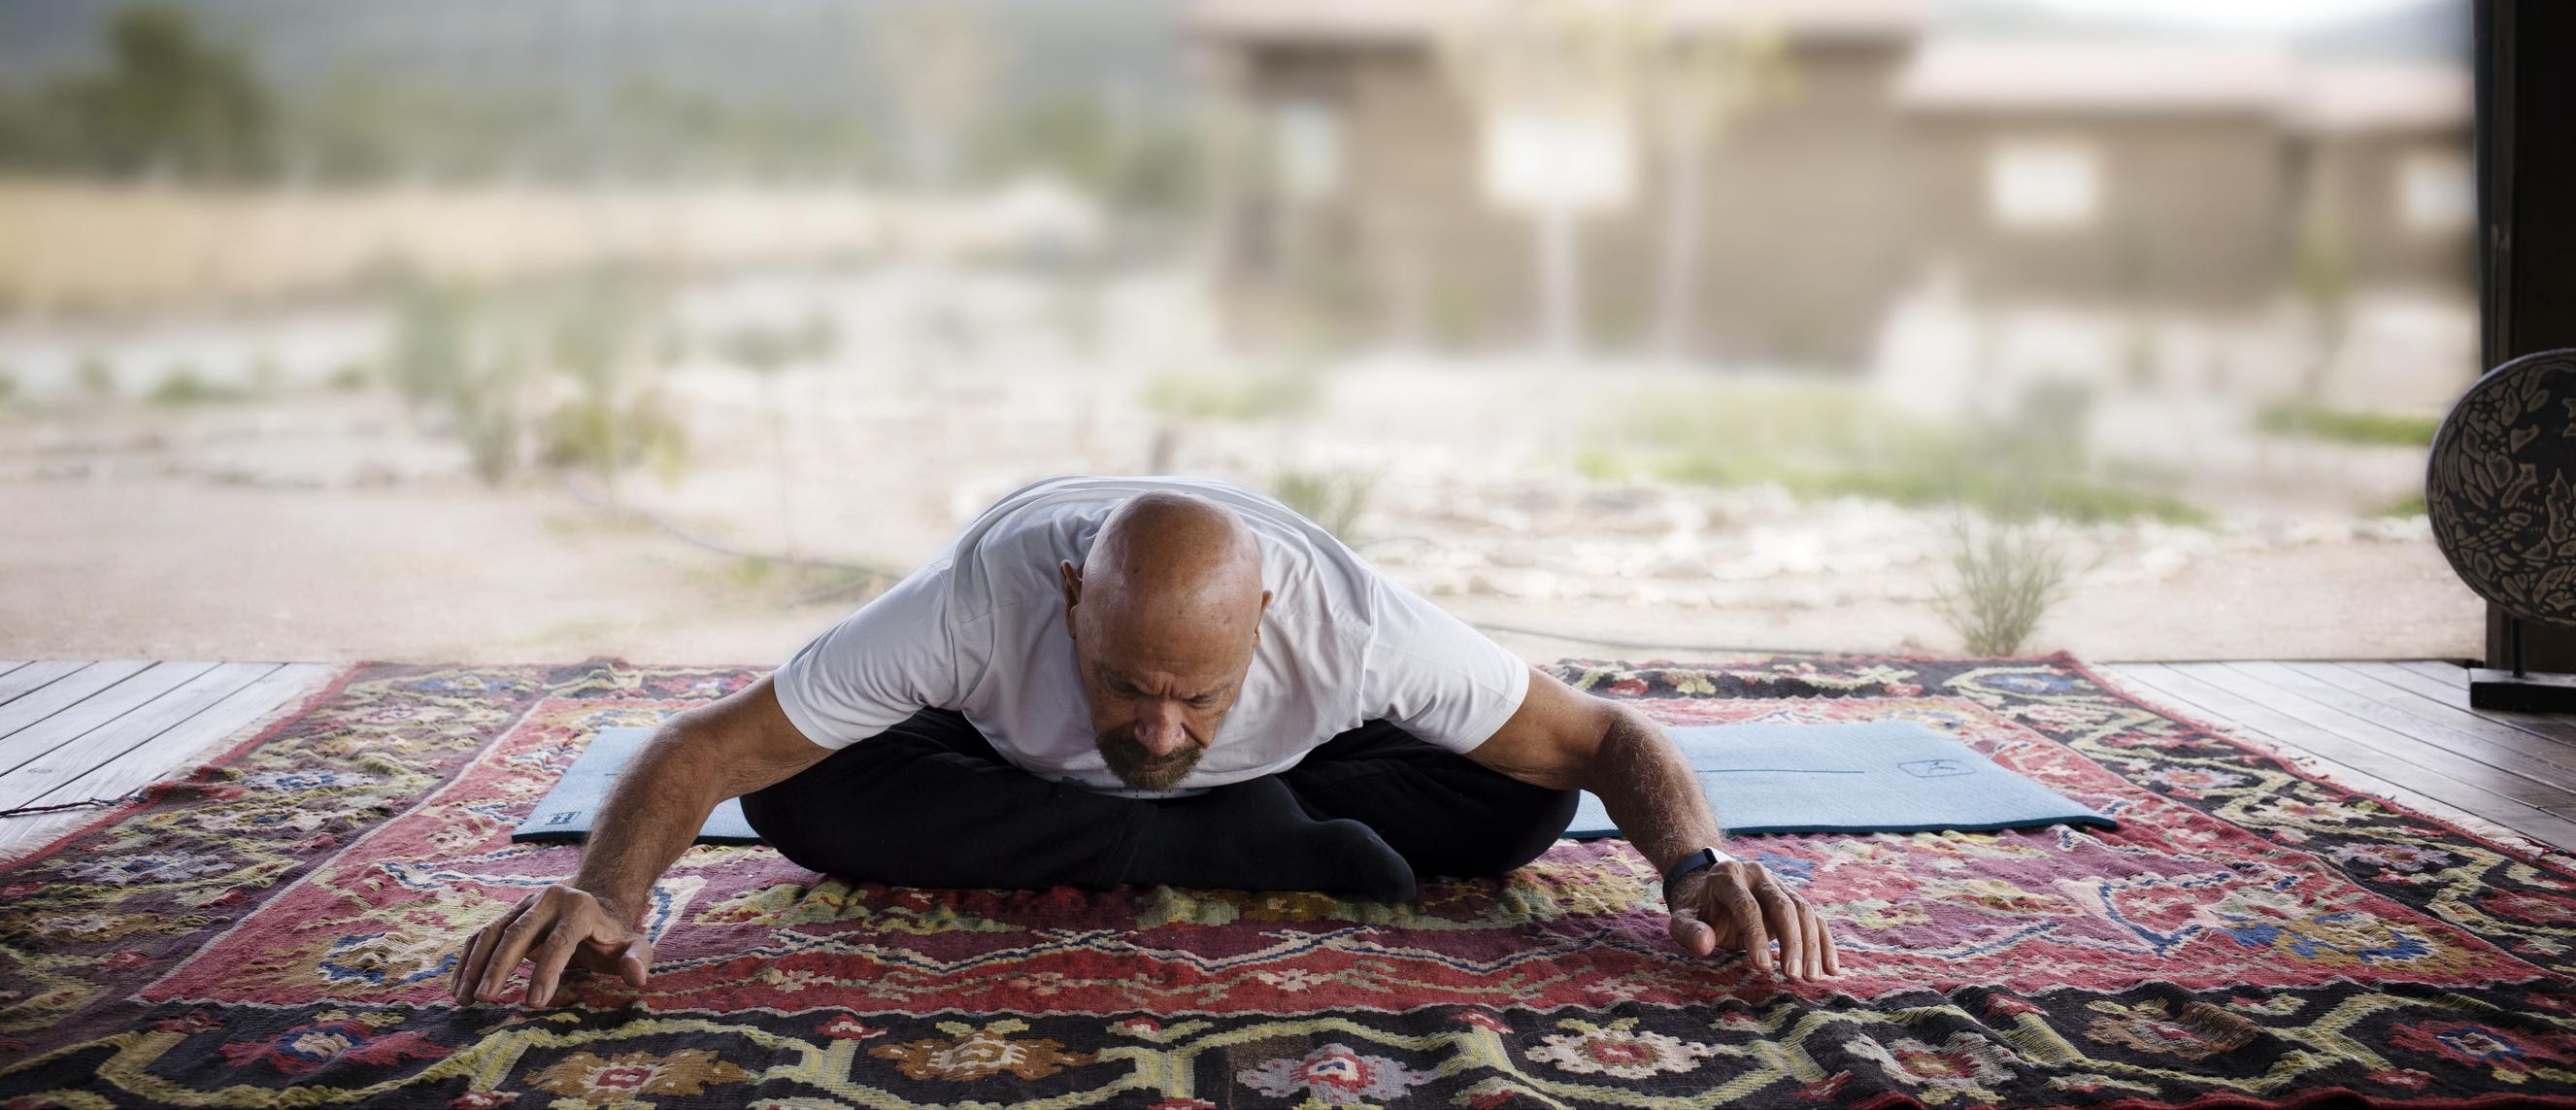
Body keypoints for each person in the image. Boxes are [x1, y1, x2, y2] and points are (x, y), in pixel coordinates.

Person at [450, 475, 1839, 1006]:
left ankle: (1240, 810)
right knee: (806, 808)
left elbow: (1599, 737)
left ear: (1272, 626)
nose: (1159, 728)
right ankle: (1243, 837)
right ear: (1068, 602)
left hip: (1291, 780)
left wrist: (1694, 863)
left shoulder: (1352, 623)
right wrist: (609, 893)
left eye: (1199, 696)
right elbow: (710, 749)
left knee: (1515, 801)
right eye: (1123, 687)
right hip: (1018, 771)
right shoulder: (970, 606)